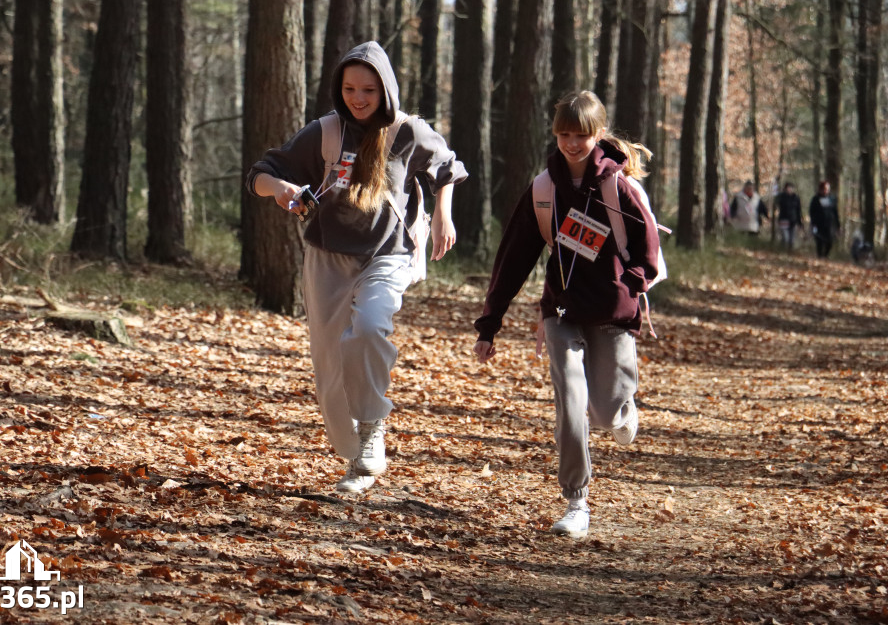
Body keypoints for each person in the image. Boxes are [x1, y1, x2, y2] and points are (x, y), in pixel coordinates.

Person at [247, 42, 467, 494]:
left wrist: (443, 215)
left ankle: (371, 431)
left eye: (368, 89)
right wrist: (281, 189)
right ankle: (354, 460)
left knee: (367, 329)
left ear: (385, 88)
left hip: (388, 253)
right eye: (350, 88)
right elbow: (260, 173)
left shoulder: (407, 132)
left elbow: (447, 166)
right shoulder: (324, 132)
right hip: (328, 255)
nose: (359, 98)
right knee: (330, 363)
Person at [472, 91, 660, 539]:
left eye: (581, 135)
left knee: (606, 412)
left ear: (598, 135)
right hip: (560, 310)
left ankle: (622, 411)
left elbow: (648, 249)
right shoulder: (543, 189)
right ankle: (577, 502)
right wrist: (490, 323)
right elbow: (513, 258)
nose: (572, 143)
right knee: (571, 401)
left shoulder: (620, 187)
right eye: (563, 134)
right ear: (554, 134)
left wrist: (633, 281)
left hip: (612, 312)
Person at [809, 180, 840, 258]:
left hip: (829, 224)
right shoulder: (815, 199)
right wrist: (813, 223)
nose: (826, 190)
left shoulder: (832, 199)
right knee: (819, 241)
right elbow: (812, 211)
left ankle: (825, 255)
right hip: (818, 224)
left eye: (828, 189)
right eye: (825, 189)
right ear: (821, 189)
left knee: (830, 242)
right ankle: (820, 257)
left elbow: (835, 212)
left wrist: (838, 225)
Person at [773, 182, 803, 249]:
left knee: (791, 240)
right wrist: (776, 186)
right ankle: (783, 249)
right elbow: (775, 200)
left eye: (791, 188)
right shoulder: (781, 197)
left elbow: (798, 210)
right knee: (785, 238)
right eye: (788, 188)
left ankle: (789, 252)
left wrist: (800, 222)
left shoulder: (796, 198)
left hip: (793, 220)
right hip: (783, 219)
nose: (789, 189)